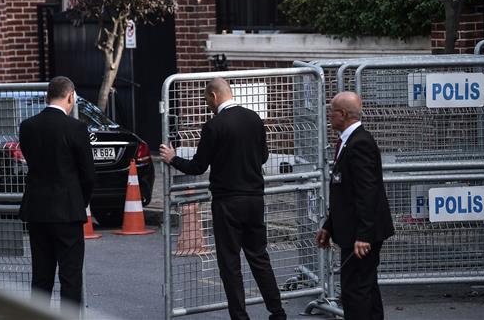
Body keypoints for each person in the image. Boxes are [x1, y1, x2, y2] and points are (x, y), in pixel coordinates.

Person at [159, 77, 286, 320]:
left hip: (227, 202)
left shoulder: (214, 126)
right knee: (259, 258)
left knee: (230, 264)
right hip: (254, 199)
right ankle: (277, 312)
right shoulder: (254, 119)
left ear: (214, 96)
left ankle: (240, 317)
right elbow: (262, 157)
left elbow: (198, 166)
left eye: (207, 99)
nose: (208, 104)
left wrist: (172, 158)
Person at [315, 91, 395, 320]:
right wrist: (329, 225)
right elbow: (345, 193)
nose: (329, 116)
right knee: (365, 287)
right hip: (355, 229)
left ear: (342, 114)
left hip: (361, 234)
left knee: (355, 291)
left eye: (332, 111)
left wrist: (364, 234)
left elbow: (367, 192)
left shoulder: (360, 143)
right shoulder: (350, 141)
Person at [18, 76, 95, 309]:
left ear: (46, 96)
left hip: (37, 210)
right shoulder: (76, 128)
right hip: (68, 210)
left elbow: (32, 161)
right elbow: (88, 174)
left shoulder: (28, 126)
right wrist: (81, 200)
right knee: (70, 279)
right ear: (71, 96)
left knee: (41, 278)